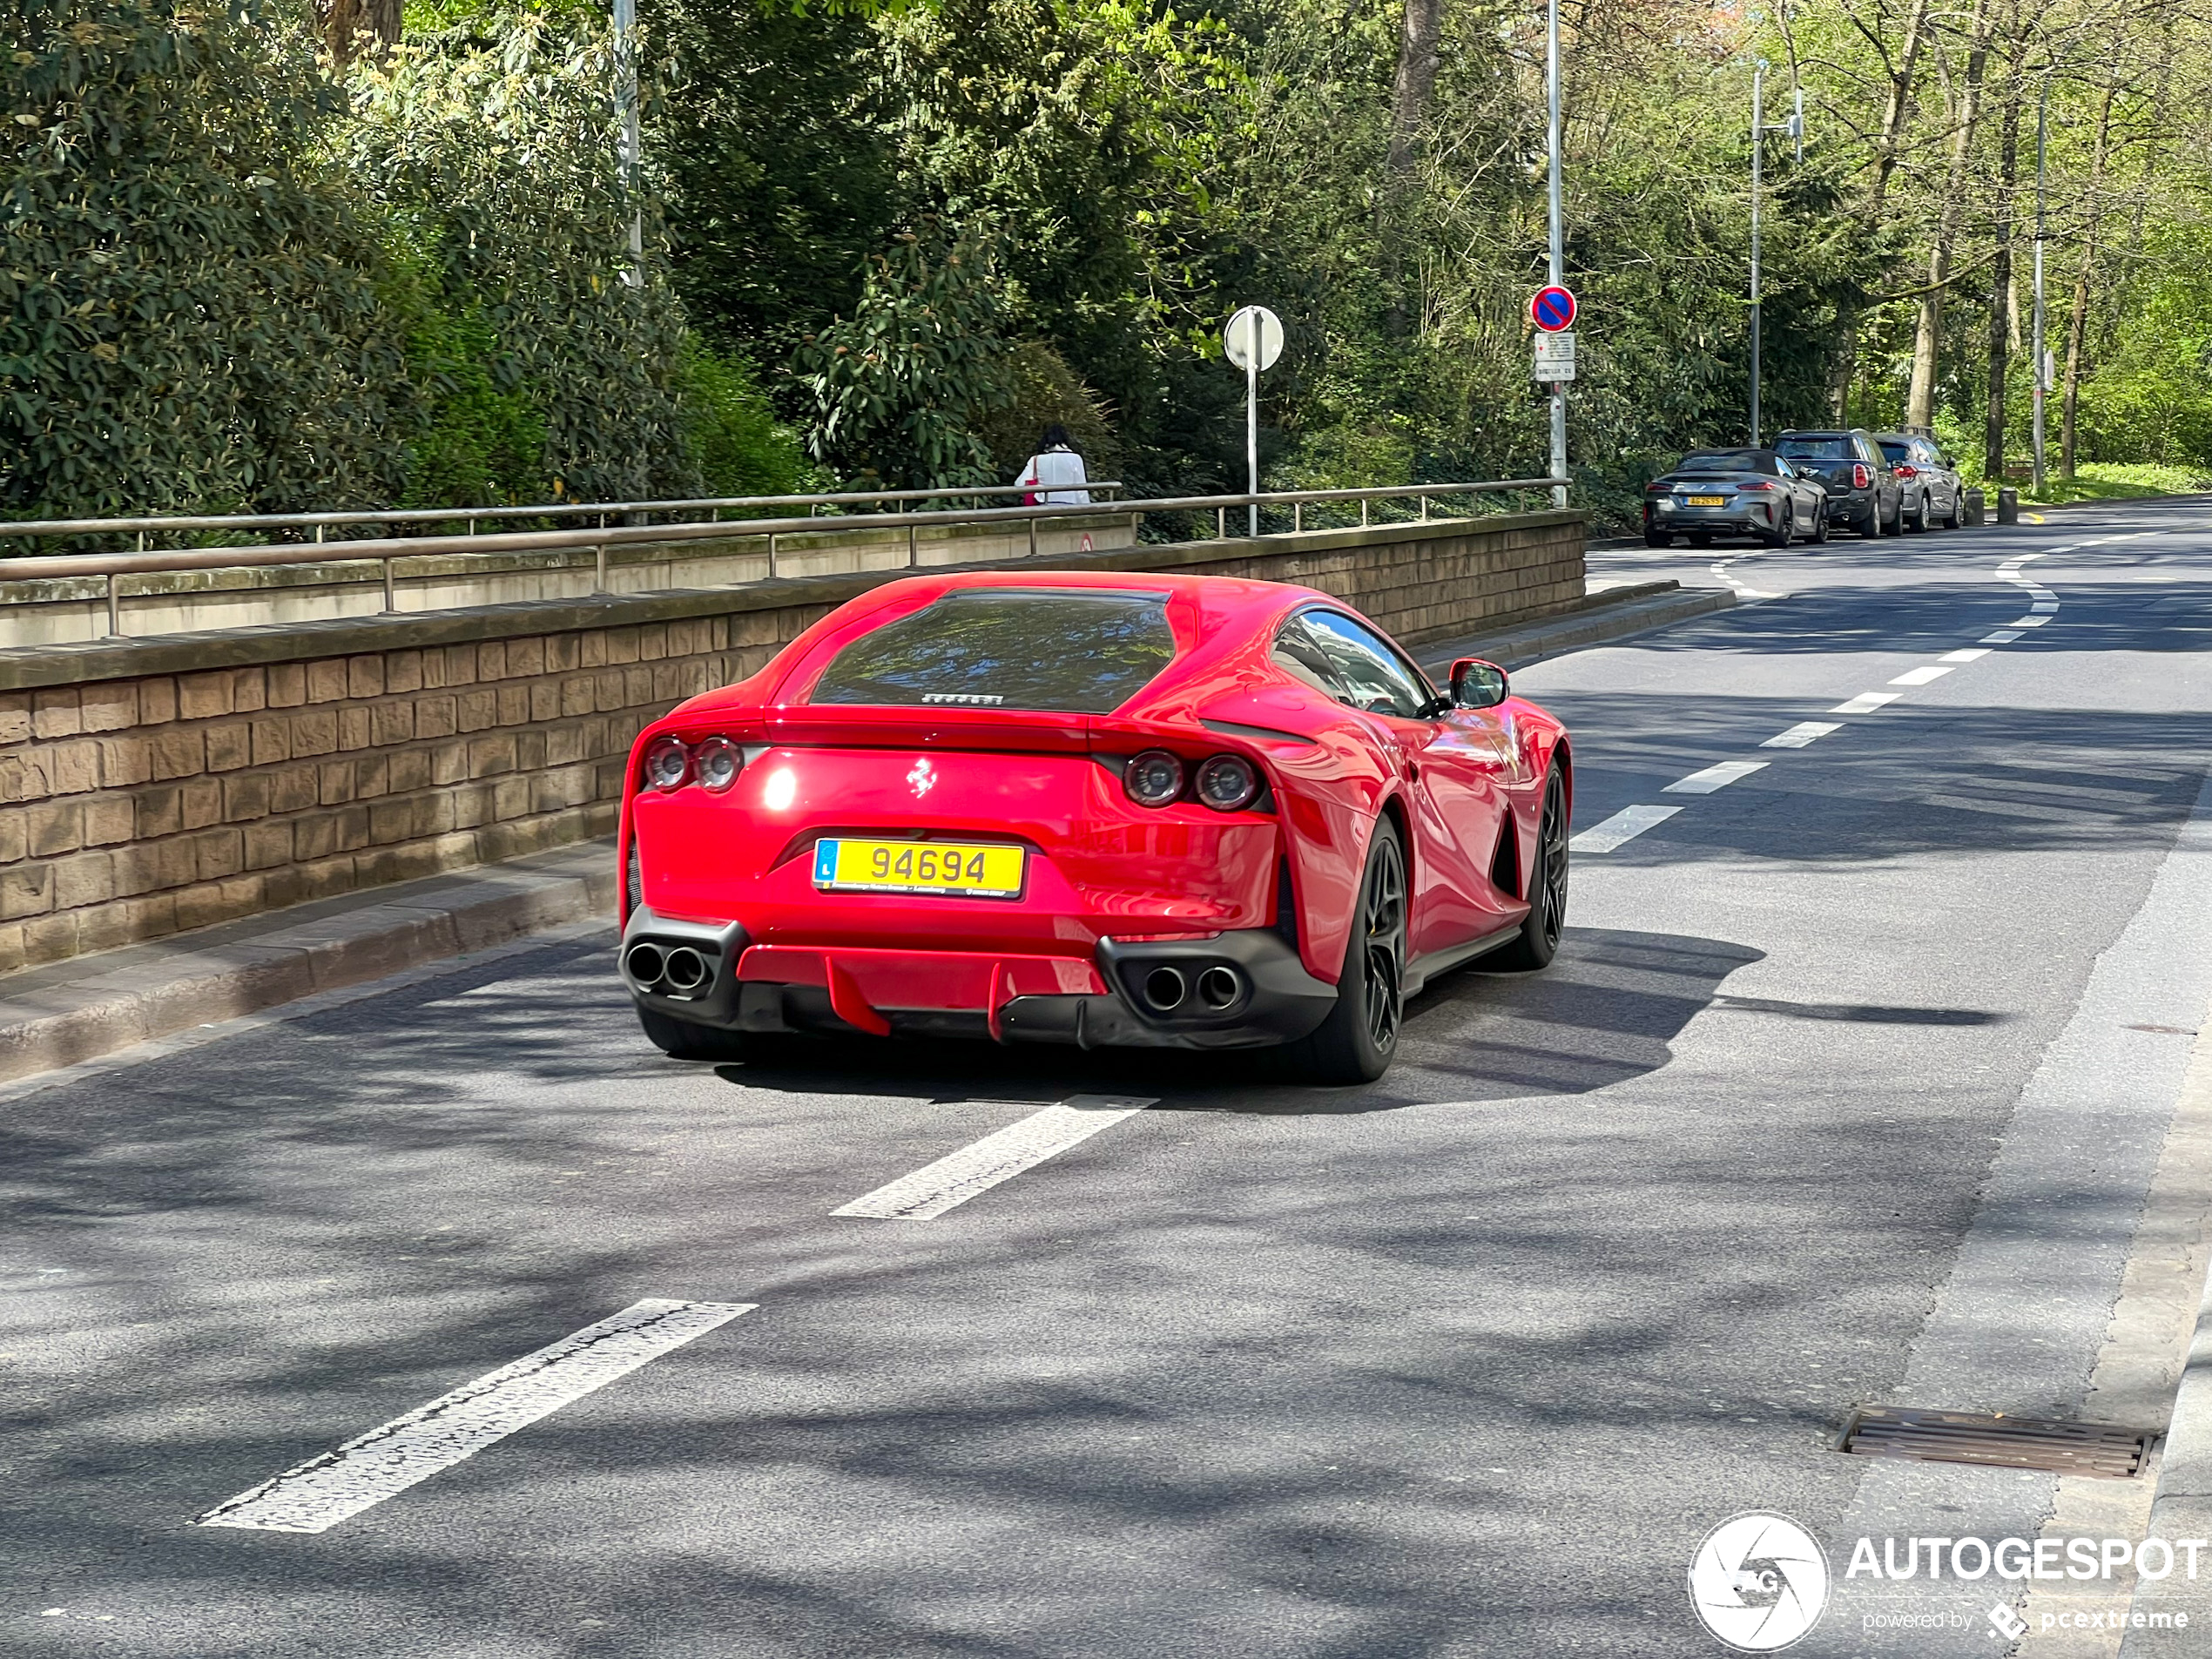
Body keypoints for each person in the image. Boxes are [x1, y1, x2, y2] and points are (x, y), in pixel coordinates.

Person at [1018, 425, 1090, 505]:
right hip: (1069, 505)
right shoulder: (1075, 458)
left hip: (1043, 505)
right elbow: (1081, 488)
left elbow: (1020, 483)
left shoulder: (1036, 459)